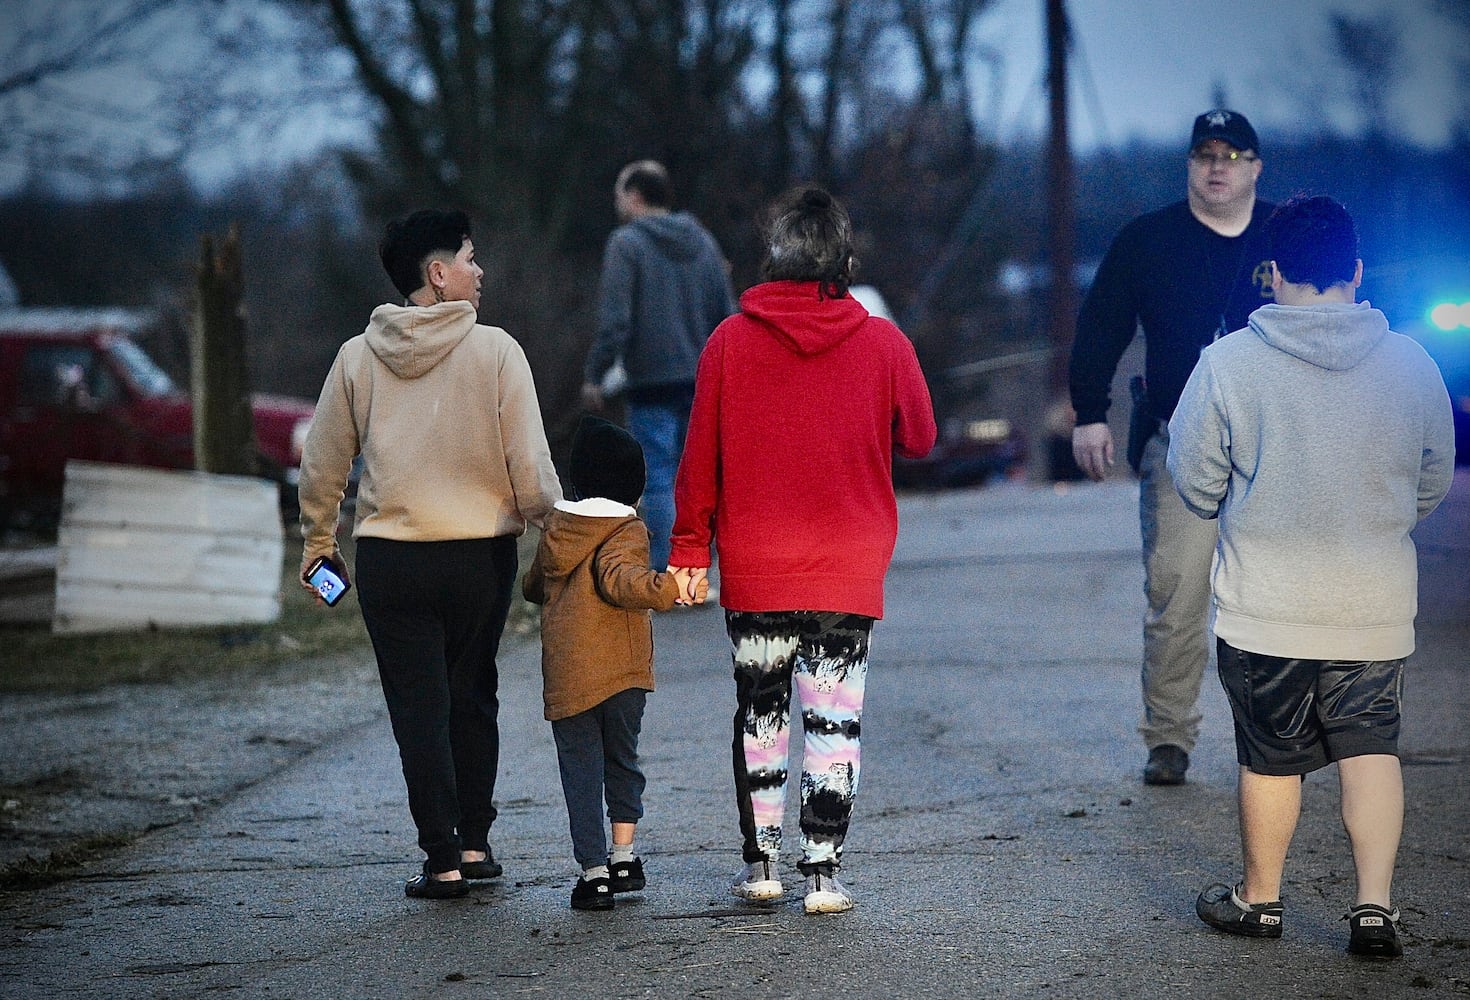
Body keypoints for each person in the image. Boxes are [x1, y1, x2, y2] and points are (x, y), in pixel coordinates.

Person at [1167, 196, 1455, 957]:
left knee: (1270, 756)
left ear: (1273, 274)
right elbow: (1433, 477)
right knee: (1371, 748)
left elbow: (1193, 483)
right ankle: (1374, 909)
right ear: (1355, 272)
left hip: (1267, 607)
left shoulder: (1227, 363)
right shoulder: (1411, 361)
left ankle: (1260, 900)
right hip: (1372, 601)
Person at [668, 185, 937, 915]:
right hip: (848, 563)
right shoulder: (883, 342)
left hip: (757, 567)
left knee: (761, 714)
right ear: (842, 261)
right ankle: (823, 872)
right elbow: (921, 434)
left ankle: (762, 867)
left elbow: (699, 463)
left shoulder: (728, 342)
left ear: (774, 258)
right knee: (834, 717)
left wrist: (690, 551)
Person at [297, 209, 561, 900]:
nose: (482, 272)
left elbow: (323, 463)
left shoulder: (358, 356)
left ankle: (441, 861)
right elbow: (530, 467)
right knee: (472, 696)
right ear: (437, 273)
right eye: (471, 258)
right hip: (478, 558)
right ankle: (476, 844)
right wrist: (557, 535)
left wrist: (318, 544)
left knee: (418, 707)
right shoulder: (497, 351)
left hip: (392, 560)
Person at [1069, 109, 1276, 785]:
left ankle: (1277, 734)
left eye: (1231, 154)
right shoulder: (1147, 240)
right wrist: (1090, 413)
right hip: (1179, 441)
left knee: (1275, 595)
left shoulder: (1284, 235)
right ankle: (1169, 738)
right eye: (1203, 154)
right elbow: (1101, 324)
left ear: (1255, 167)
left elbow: (1344, 305)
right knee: (1178, 593)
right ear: (1190, 164)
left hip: (1275, 448)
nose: (1216, 166)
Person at [522, 415, 705, 912]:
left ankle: (594, 873)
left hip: (567, 676)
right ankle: (624, 857)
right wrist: (671, 588)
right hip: (622, 675)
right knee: (622, 762)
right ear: (633, 486)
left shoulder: (557, 530)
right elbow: (620, 582)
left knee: (580, 772)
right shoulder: (627, 530)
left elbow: (534, 586)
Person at [581, 160, 736, 570]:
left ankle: (672, 571)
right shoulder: (703, 241)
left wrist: (596, 373)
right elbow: (727, 311)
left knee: (661, 479)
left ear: (634, 196)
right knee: (701, 479)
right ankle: (703, 563)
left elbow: (616, 320)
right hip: (704, 378)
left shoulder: (626, 244)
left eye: (618, 194)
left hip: (651, 381)